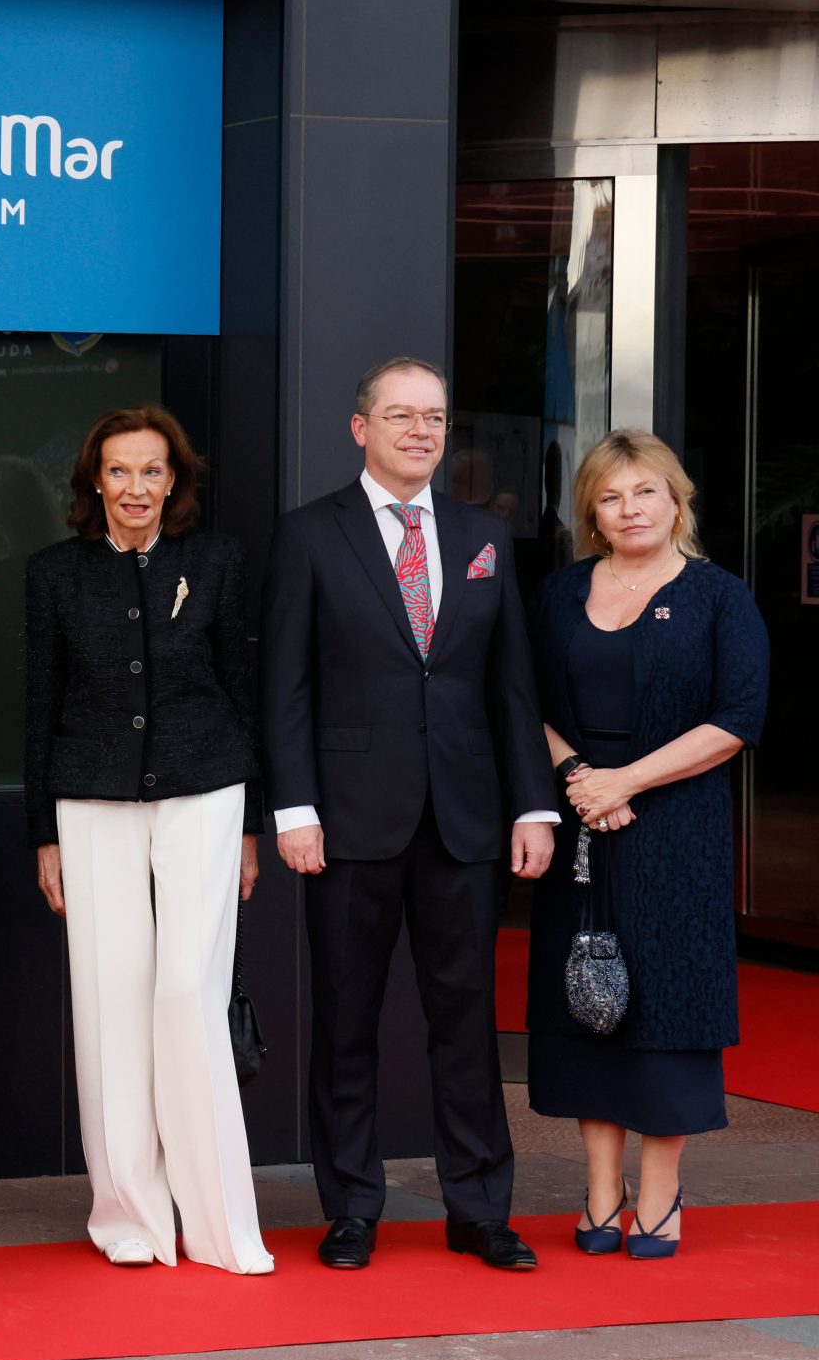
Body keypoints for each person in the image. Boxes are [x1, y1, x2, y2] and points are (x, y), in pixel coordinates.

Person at [263, 356, 557, 1272]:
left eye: (433, 416)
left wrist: (534, 806)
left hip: (466, 820)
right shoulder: (309, 534)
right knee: (345, 1023)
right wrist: (294, 808)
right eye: (401, 416)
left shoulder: (483, 535)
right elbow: (285, 686)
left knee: (466, 1023)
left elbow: (512, 685)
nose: (421, 431)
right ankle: (352, 1209)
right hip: (347, 821)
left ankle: (479, 1210)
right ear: (362, 429)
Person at [24, 408, 270, 1274]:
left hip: (207, 786)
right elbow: (40, 704)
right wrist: (41, 834)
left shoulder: (218, 562)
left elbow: (242, 689)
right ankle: (128, 1214)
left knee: (185, 993)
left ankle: (218, 1222)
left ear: (176, 482)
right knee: (112, 996)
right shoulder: (55, 574)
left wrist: (251, 823)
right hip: (90, 795)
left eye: (153, 471)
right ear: (95, 481)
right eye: (120, 471)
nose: (136, 488)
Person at [527, 430, 766, 1259]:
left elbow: (738, 719)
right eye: (610, 496)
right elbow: (525, 700)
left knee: (668, 1001)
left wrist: (626, 782)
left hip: (677, 828)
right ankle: (602, 1189)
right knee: (587, 995)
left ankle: (661, 1192)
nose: (629, 510)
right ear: (591, 511)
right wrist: (579, 779)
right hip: (582, 821)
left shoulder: (720, 597)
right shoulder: (559, 593)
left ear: (676, 500)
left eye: (645, 493)